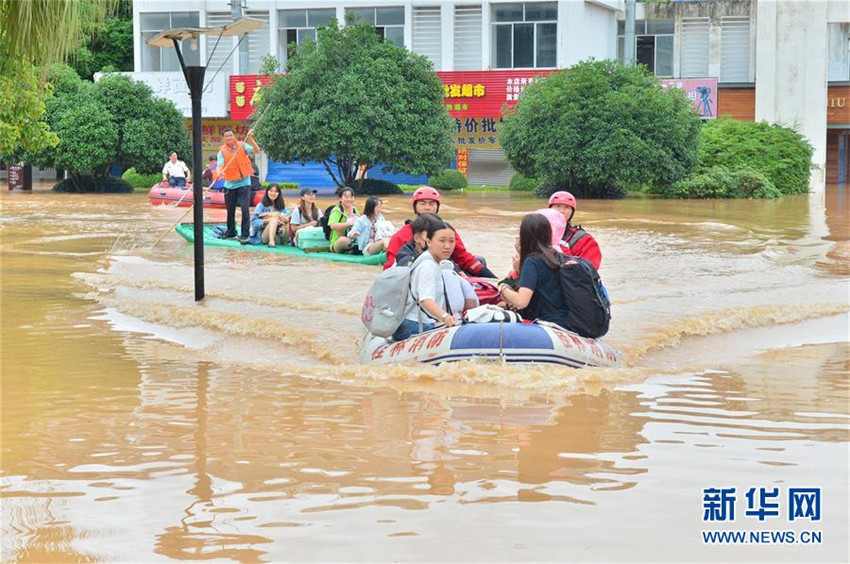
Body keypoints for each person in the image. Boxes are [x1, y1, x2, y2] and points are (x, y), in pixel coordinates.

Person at [384, 186, 496, 278]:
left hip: (447, 272)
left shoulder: (446, 230)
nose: (427, 208)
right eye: (422, 203)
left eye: (431, 204)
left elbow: (464, 258)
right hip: (418, 277)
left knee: (480, 260)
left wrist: (493, 280)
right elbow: (390, 268)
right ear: (415, 207)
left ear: (437, 207)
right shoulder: (402, 235)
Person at [393, 218, 476, 342]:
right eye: (441, 241)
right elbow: (426, 300)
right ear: (429, 242)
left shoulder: (431, 262)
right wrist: (445, 317)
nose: (447, 246)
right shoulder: (427, 266)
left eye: (451, 241)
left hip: (416, 322)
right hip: (413, 325)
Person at [498, 213, 571, 330]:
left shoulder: (532, 261)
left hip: (547, 321)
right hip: (564, 319)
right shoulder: (556, 256)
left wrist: (502, 287)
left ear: (524, 235)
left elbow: (521, 301)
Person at [216, 127, 260, 241]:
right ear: (224, 138)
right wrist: (220, 172)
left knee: (245, 209)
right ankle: (231, 232)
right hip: (230, 185)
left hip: (244, 183)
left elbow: (256, 151)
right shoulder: (222, 152)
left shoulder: (242, 145)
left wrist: (251, 139)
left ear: (233, 136)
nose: (229, 137)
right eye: (226, 136)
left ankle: (245, 234)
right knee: (230, 210)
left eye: (231, 135)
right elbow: (219, 165)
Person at [548, 191, 602, 269]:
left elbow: (590, 269)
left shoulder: (584, 239)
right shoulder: (537, 232)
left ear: (572, 212)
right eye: (557, 206)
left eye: (566, 207)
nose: (561, 211)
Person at [328, 187, 360, 254]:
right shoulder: (336, 211)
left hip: (353, 238)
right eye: (346, 197)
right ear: (340, 199)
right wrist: (350, 224)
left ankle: (354, 249)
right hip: (338, 241)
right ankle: (355, 249)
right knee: (343, 240)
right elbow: (333, 226)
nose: (349, 199)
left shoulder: (355, 210)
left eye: (351, 197)